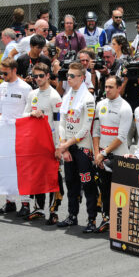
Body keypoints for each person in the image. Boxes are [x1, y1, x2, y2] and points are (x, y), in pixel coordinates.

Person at [56, 62, 98, 232]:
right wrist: (63, 146)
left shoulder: (88, 98)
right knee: (71, 183)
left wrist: (66, 144)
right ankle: (72, 215)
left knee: (87, 184)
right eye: (68, 75)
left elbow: (86, 129)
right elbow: (62, 123)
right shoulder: (66, 96)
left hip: (83, 148)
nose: (69, 78)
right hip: (68, 147)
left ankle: (92, 219)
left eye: (72, 76)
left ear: (82, 78)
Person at [22, 63, 63, 224]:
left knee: (53, 177)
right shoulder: (32, 94)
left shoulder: (54, 97)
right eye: (35, 76)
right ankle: (38, 208)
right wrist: (31, 113)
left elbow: (59, 123)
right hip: (35, 143)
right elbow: (23, 114)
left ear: (47, 76)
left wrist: (59, 146)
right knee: (37, 175)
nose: (37, 79)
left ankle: (54, 211)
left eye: (41, 76)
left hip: (51, 143)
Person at [93, 76, 133, 232]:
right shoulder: (101, 104)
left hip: (118, 156)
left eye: (111, 87)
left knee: (119, 192)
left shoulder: (125, 107)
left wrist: (103, 153)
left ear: (118, 88)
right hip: (102, 154)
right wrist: (97, 153)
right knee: (104, 189)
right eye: (106, 87)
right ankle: (106, 219)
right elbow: (96, 131)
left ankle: (121, 223)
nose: (107, 90)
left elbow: (121, 137)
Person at [0, 58, 32, 216]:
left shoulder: (26, 88)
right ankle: (9, 201)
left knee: (22, 169)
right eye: (0, 72)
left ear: (14, 70)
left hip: (21, 134)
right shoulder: (2, 86)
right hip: (4, 132)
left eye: (5, 72)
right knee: (6, 168)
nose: (2, 75)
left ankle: (25, 203)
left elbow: (30, 111)